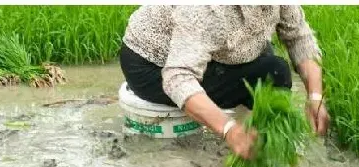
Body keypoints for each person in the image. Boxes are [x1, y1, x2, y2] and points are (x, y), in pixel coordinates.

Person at [119, 5, 330, 159]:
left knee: (270, 67)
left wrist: (315, 97)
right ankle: (249, 152)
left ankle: (263, 148)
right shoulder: (208, 9)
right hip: (151, 64)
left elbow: (299, 37)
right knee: (274, 73)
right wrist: (229, 129)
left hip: (214, 51)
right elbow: (178, 77)